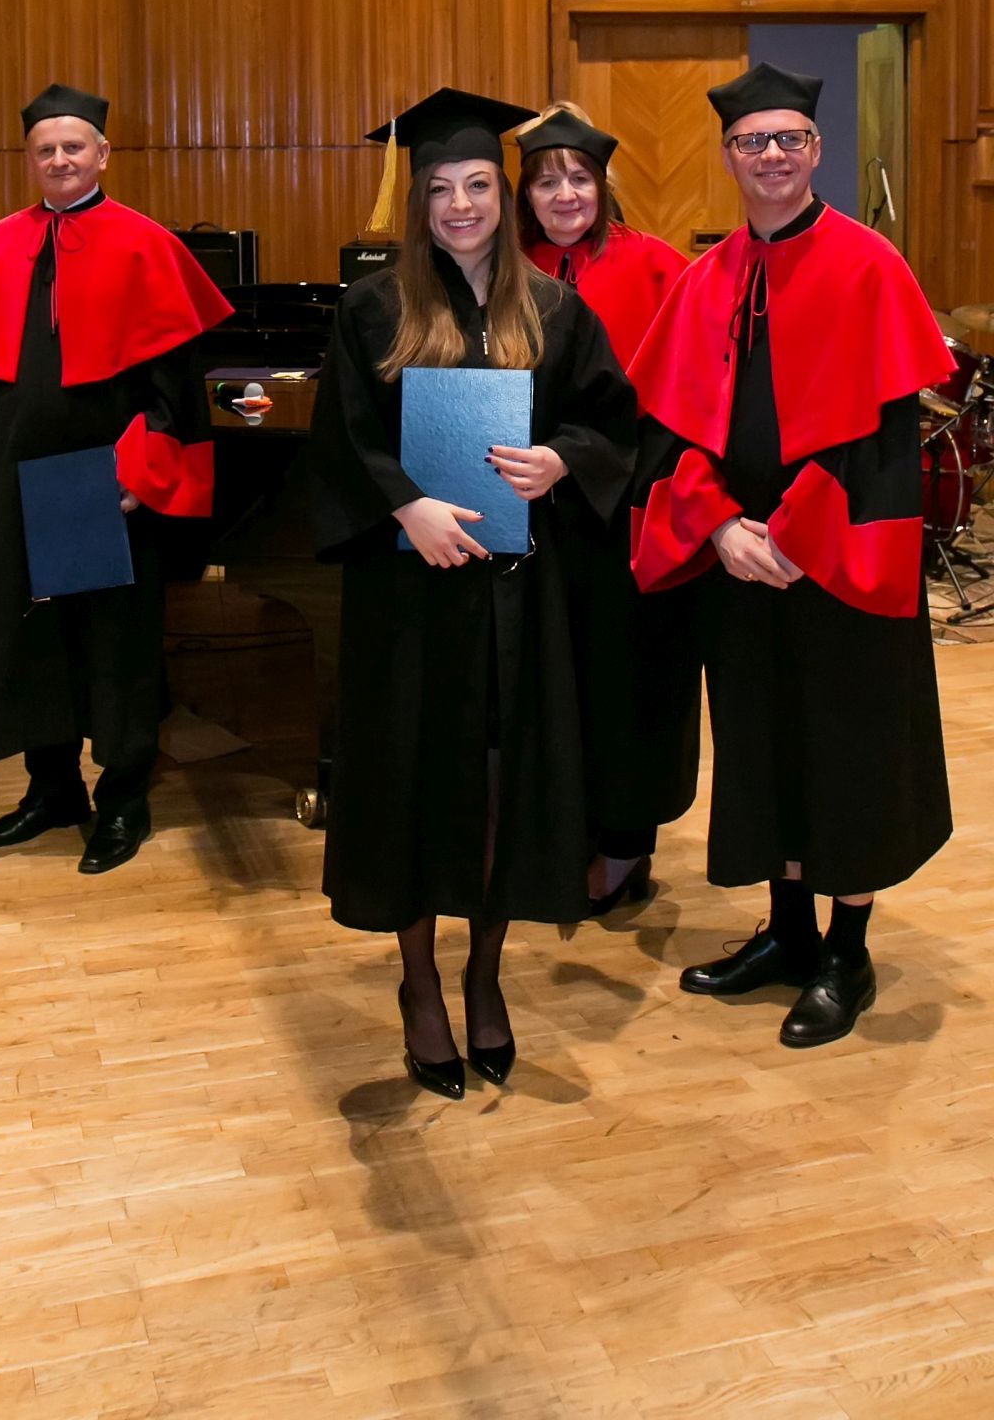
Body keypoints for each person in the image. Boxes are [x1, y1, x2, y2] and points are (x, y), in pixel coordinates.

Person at [310, 88, 637, 1098]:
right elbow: (341, 440)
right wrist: (402, 505)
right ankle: (418, 983)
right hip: (406, 603)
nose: (460, 205)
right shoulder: (371, 310)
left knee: (502, 789)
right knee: (409, 785)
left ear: (506, 194)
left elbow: (612, 425)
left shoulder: (554, 311)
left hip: (514, 602)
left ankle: (484, 974)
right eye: (440, 188)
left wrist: (560, 459)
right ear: (417, 202)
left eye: (478, 186)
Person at [629, 61, 953, 1047]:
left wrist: (802, 538)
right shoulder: (705, 280)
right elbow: (669, 432)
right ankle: (786, 932)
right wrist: (720, 527)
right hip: (741, 564)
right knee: (760, 740)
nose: (770, 155)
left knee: (847, 748)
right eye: (751, 141)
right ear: (728, 157)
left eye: (788, 139)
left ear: (815, 150)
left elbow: (884, 445)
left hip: (841, 562)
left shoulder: (869, 266)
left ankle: (846, 953)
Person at [0, 84, 231, 874]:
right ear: (30, 158)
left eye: (73, 147)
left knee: (112, 643)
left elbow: (173, 389)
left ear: (102, 153)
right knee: (28, 635)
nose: (59, 160)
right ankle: (52, 788)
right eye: (45, 150)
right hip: (11, 479)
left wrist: (144, 473)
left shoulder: (143, 245)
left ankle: (124, 797)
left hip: (100, 480)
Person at [515, 104, 698, 913]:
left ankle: (625, 848)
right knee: (552, 682)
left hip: (630, 511)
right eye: (546, 181)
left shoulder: (658, 267)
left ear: (602, 185)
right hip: (534, 510)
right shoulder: (505, 267)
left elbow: (688, 394)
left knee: (628, 685)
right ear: (525, 195)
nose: (565, 194)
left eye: (579, 178)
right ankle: (559, 837)